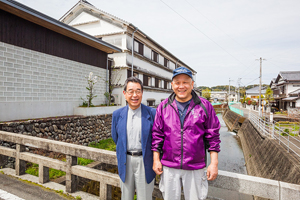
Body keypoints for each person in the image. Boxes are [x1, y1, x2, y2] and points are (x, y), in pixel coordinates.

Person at [152, 67, 221, 200]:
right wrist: (156, 160)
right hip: (169, 166)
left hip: (195, 167)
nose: (181, 86)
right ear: (172, 85)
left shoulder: (204, 106)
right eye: (177, 82)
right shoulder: (163, 106)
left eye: (185, 82)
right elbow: (157, 135)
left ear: (192, 84)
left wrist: (214, 164)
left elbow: (213, 136)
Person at [111, 77, 156, 200]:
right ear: (125, 94)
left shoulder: (152, 113)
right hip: (125, 160)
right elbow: (116, 137)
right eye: (130, 91)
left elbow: (157, 140)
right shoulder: (117, 114)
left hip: (145, 161)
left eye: (138, 91)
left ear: (142, 93)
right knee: (126, 197)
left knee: (145, 197)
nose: (134, 95)